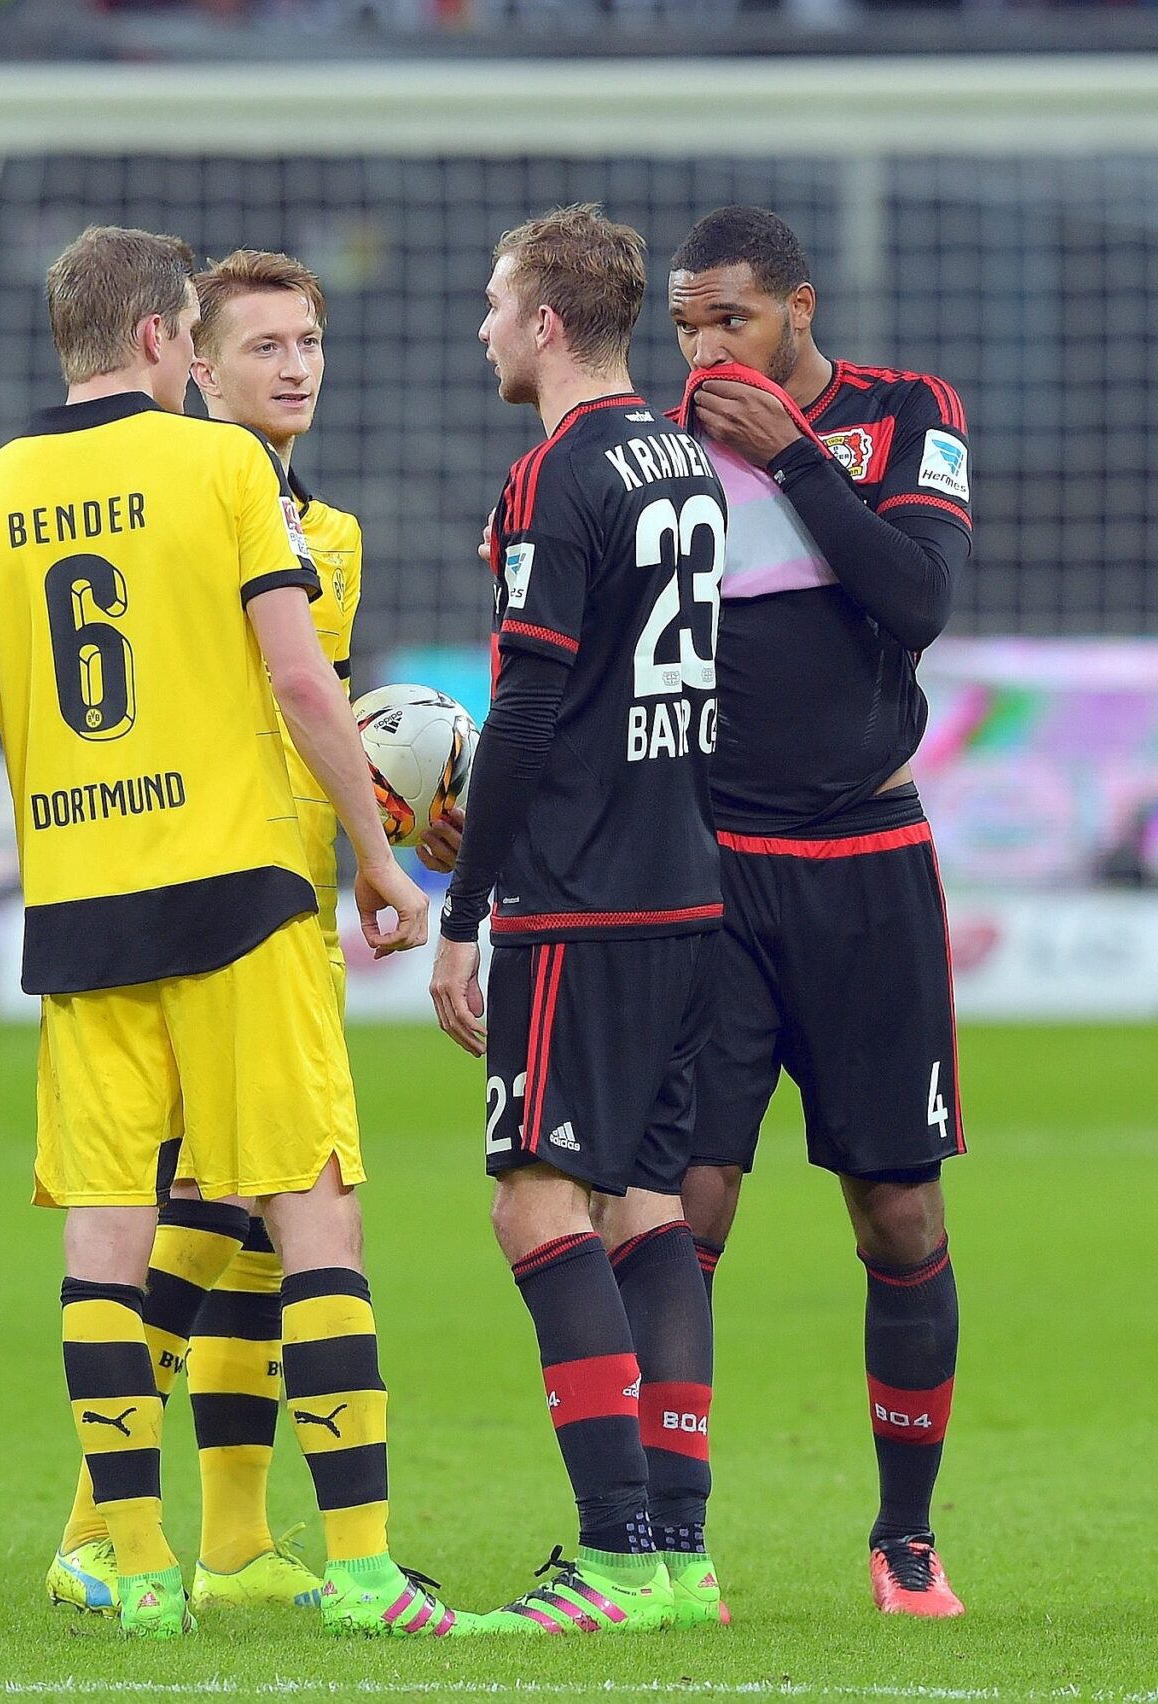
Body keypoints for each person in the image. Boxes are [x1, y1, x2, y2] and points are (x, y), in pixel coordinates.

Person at [0, 225, 460, 1641]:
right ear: (170, 342)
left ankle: (136, 1562)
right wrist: (385, 865)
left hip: (79, 911)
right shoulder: (223, 473)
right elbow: (297, 679)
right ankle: (362, 1567)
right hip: (240, 896)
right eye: (252, 342)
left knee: (109, 1230)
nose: (288, 367)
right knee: (310, 1206)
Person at [42, 247, 426, 1618]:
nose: (298, 365)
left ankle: (234, 1542)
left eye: (310, 341)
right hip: (188, 910)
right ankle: (100, 1526)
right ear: (193, 364)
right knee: (235, 1209)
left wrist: (376, 817)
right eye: (265, 345)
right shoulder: (170, 502)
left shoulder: (330, 535)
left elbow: (298, 717)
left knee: (253, 1227)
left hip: (280, 902)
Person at [427, 204, 730, 1636]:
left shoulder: (561, 472)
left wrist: (462, 910)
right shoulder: (687, 457)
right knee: (649, 1210)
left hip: (587, 895)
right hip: (685, 883)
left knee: (539, 1204)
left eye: (495, 304)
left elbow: (533, 704)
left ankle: (613, 1556)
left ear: (547, 323)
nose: (482, 327)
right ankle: (678, 1556)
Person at [666, 204, 973, 1617]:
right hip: (710, 873)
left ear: (797, 307)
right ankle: (670, 1538)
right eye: (684, 324)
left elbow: (913, 601)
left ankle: (904, 1537)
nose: (704, 348)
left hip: (866, 868)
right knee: (686, 1208)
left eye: (728, 319)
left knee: (898, 1214)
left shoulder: (904, 414)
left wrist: (790, 461)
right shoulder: (654, 449)